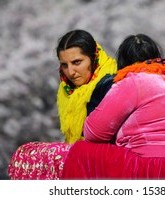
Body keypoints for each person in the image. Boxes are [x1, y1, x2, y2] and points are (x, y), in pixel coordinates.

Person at [61, 34, 165, 179]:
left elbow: (94, 133)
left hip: (158, 165)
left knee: (81, 151)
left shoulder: (132, 79)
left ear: (122, 62)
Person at [7, 29, 117, 179]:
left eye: (77, 62)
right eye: (64, 65)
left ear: (94, 58)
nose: (70, 72)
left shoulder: (110, 85)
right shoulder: (67, 89)